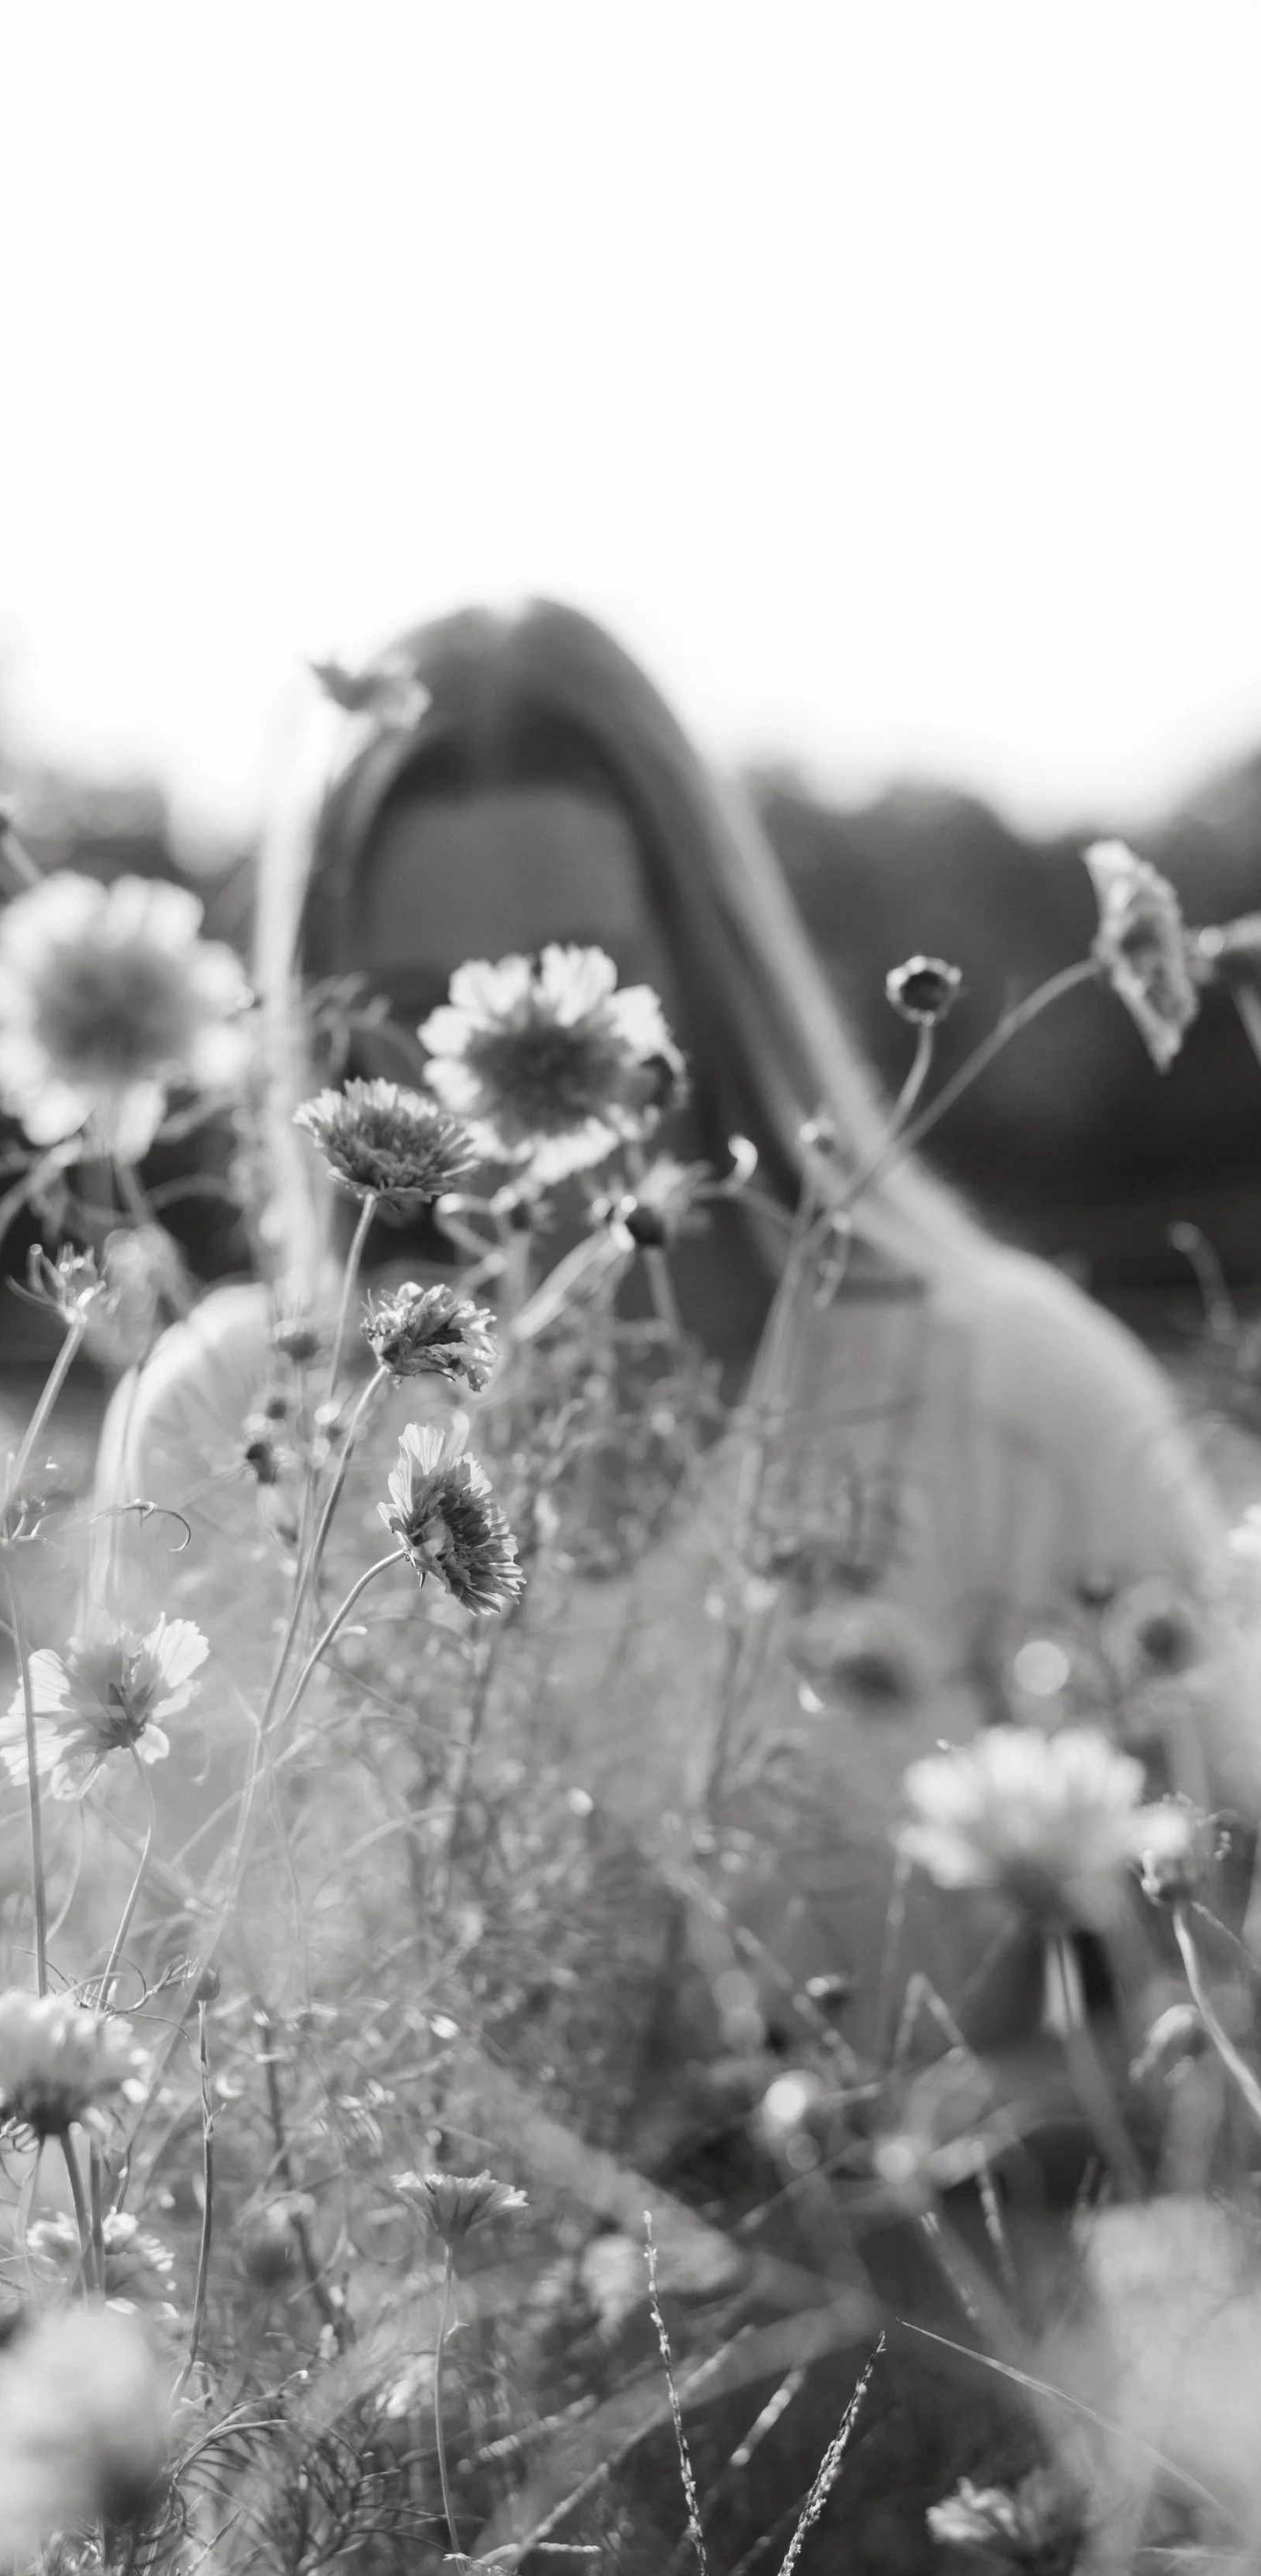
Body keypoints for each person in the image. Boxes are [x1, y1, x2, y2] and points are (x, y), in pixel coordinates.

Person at [102, 598, 1255, 2113]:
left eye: (564, 967)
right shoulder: (232, 1423)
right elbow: (177, 2052)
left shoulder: (1003, 1390)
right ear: (326, 1010)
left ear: (702, 964)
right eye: (417, 987)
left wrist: (894, 2161)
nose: (487, 1037)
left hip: (932, 2330)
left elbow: (1225, 1992)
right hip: (383, 2339)